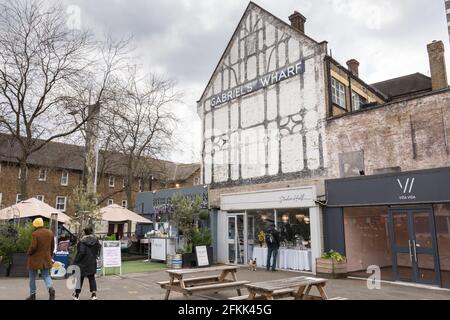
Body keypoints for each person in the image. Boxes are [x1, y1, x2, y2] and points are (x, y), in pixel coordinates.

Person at [26, 217, 56, 300]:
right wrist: (50, 255)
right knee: (46, 275)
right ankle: (51, 289)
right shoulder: (50, 233)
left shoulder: (35, 234)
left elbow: (33, 247)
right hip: (46, 258)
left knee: (32, 277)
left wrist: (28, 252)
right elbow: (52, 246)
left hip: (35, 259)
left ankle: (33, 295)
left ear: (35, 225)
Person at [72, 226, 101, 300]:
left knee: (80, 278)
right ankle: (94, 295)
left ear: (84, 232)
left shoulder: (82, 241)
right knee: (91, 278)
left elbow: (81, 252)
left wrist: (76, 261)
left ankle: (77, 295)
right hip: (92, 261)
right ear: (91, 231)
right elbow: (98, 248)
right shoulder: (96, 240)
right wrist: (96, 256)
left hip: (82, 262)